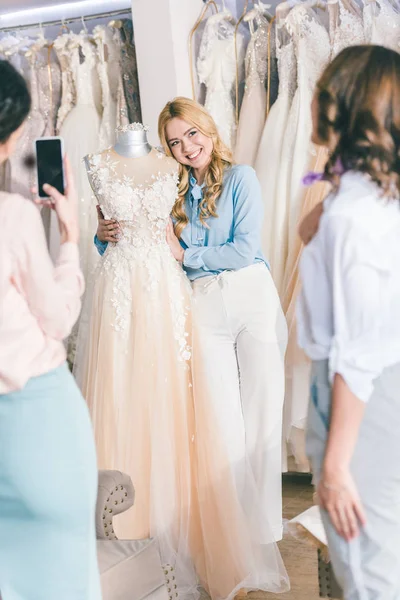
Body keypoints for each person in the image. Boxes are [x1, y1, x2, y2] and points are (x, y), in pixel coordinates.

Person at [95, 97, 288, 544]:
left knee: (261, 416)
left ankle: (264, 533)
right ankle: (236, 530)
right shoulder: (171, 187)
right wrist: (102, 235)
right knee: (221, 422)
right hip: (201, 302)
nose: (186, 147)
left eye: (192, 134)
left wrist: (187, 253)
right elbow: (140, 238)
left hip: (249, 293)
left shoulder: (242, 178)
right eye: (174, 142)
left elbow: (244, 248)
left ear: (208, 129)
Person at [297, 44, 400, 599]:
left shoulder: (358, 218)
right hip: (370, 388)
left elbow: (358, 352)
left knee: (370, 574)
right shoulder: (364, 197)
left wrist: (335, 465)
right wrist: (337, 175)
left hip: (358, 393)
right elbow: (307, 233)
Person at [0, 60, 101, 600]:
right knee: (63, 578)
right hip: (35, 416)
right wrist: (69, 237)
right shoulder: (12, 218)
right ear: (12, 132)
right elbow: (57, 317)